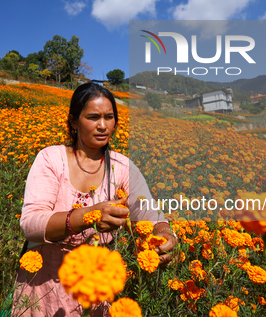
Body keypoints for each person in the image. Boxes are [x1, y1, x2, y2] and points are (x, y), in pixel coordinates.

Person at [12, 82, 176, 317]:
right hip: (42, 290)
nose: (102, 125)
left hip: (95, 293)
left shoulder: (122, 168)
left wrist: (164, 233)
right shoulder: (51, 159)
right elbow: (31, 224)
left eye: (109, 117)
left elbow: (150, 214)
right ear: (73, 122)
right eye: (93, 117)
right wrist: (89, 216)